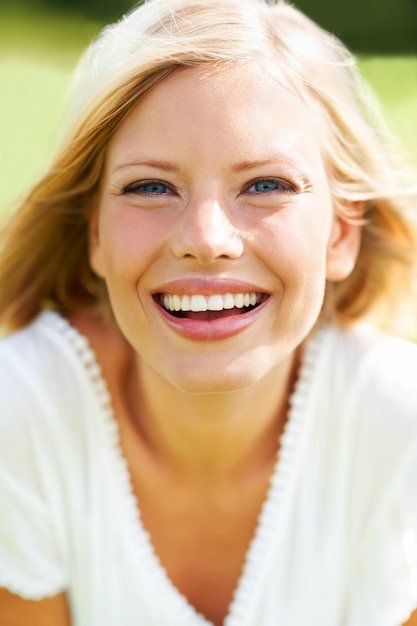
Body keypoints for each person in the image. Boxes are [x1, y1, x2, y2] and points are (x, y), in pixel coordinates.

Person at [1, 0, 417, 624]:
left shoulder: (395, 425)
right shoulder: (23, 412)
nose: (206, 236)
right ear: (94, 235)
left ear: (340, 234)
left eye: (266, 185)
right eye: (150, 186)